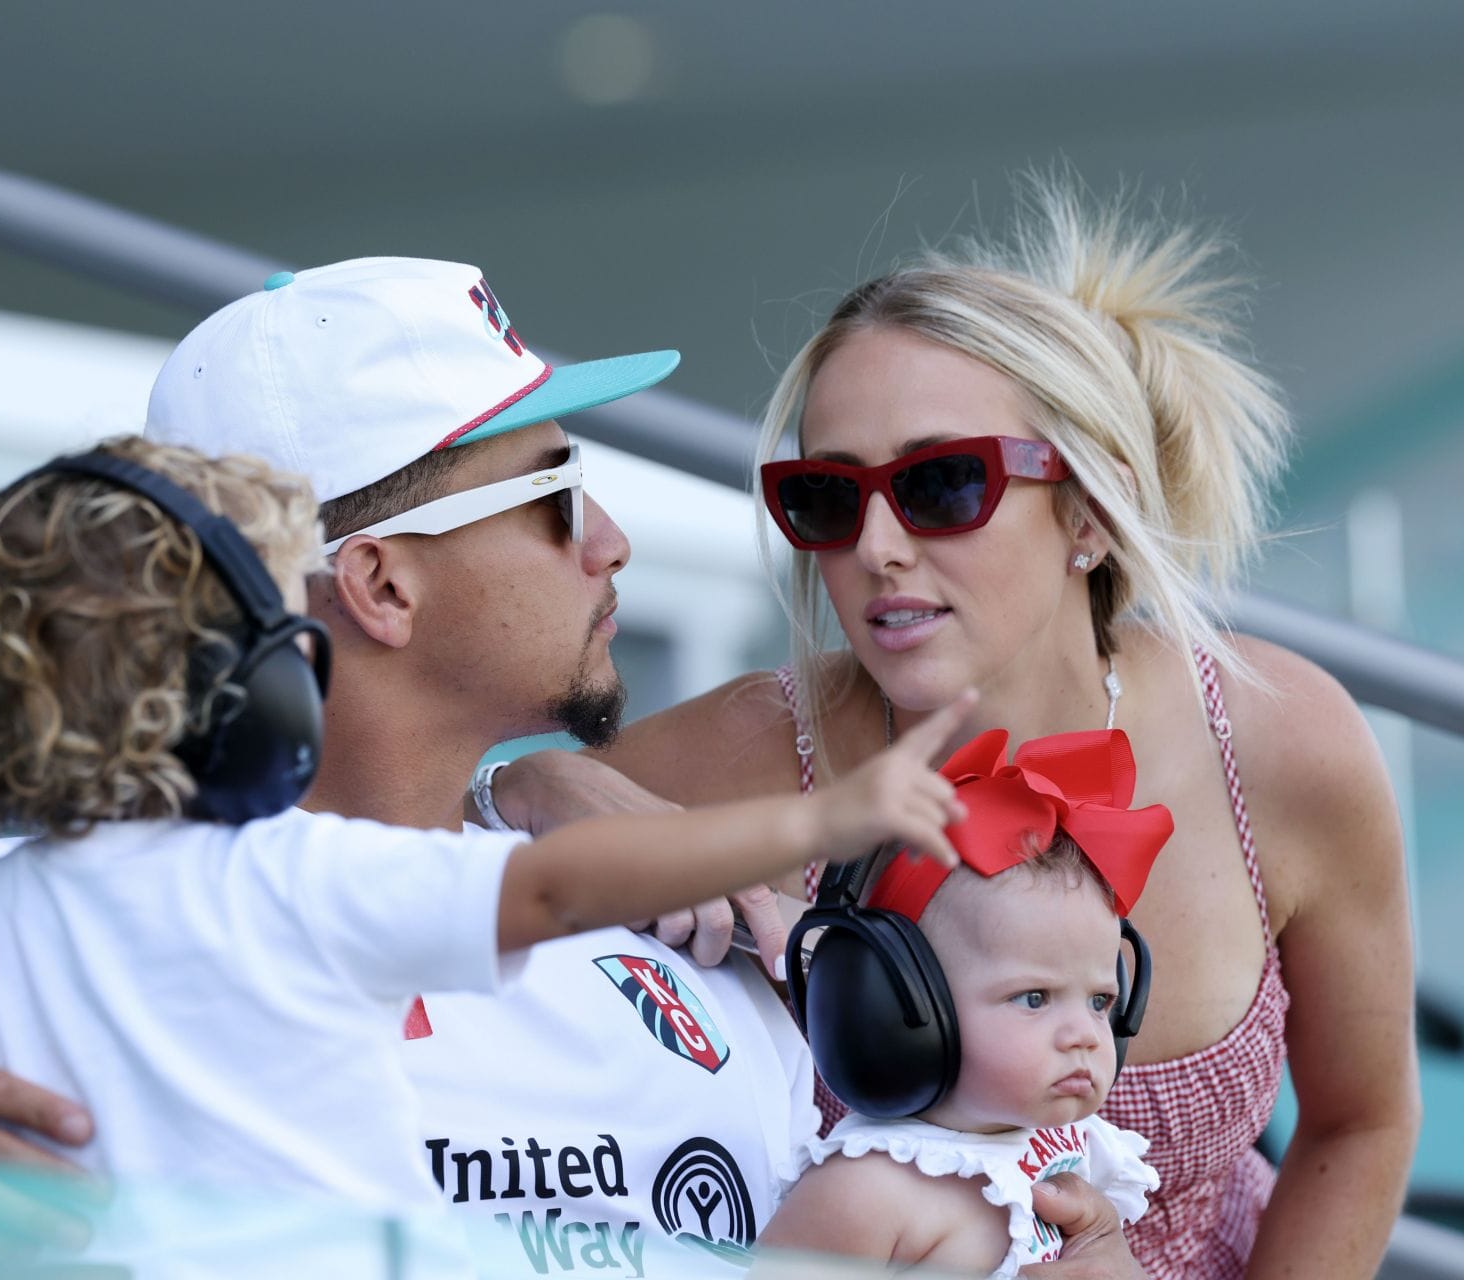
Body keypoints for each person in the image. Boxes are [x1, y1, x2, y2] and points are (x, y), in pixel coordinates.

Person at [0, 256, 1144, 1277]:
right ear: (376, 585)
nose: (609, 540)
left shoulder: (687, 915)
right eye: (553, 495)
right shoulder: (48, 911)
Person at [488, 179, 1419, 1278]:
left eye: (939, 485)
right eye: (828, 497)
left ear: (1090, 510)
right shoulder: (737, 757)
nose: (876, 546)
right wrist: (531, 785)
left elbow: (1361, 1121)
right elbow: (386, 865)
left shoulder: (1273, 742)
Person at [0, 430, 971, 1217]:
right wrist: (823, 821)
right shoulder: (297, 874)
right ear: (262, 684)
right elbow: (557, 886)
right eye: (281, 617)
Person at [761, 727, 1170, 1275]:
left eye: (1100, 1001)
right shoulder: (868, 1192)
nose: (1086, 1035)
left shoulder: (1069, 1149)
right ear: (896, 1005)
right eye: (1034, 997)